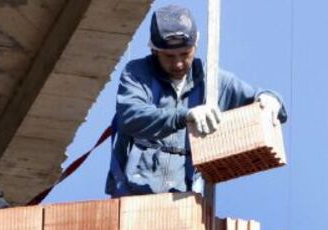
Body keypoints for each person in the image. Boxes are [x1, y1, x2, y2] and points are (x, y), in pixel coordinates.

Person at [105, 4, 287, 198]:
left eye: (185, 54)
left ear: (196, 45)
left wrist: (271, 100)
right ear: (154, 50)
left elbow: (266, 101)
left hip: (185, 198)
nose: (178, 63)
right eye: (169, 56)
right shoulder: (138, 74)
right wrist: (185, 116)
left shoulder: (213, 82)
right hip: (134, 194)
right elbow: (132, 116)